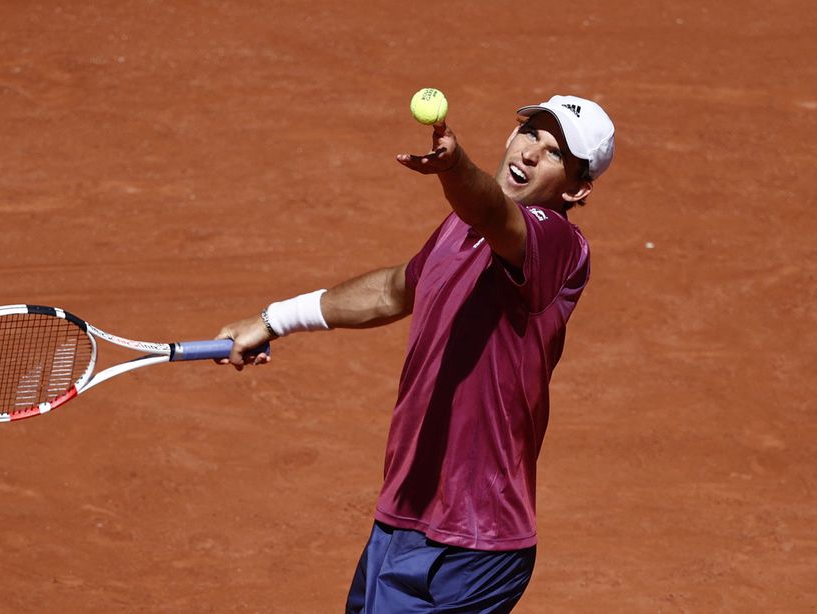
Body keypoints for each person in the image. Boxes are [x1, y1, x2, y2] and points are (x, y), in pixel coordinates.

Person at [216, 94, 616, 613]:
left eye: (557, 152)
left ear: (578, 187)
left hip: (471, 543)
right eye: (531, 133)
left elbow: (492, 210)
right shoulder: (461, 227)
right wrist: (272, 320)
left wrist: (454, 170)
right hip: (405, 513)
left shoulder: (558, 244)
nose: (532, 153)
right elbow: (394, 290)